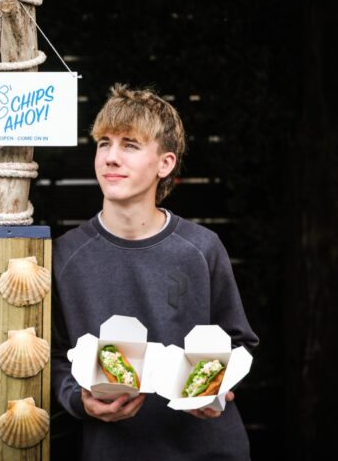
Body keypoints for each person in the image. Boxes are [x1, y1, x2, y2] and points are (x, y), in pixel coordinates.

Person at [51, 84, 259, 460]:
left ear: (165, 163)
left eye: (130, 144)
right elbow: (51, 359)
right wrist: (79, 401)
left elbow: (238, 341)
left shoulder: (202, 248)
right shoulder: (66, 255)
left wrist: (218, 384)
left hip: (207, 449)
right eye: (104, 143)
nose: (111, 157)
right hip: (113, 450)